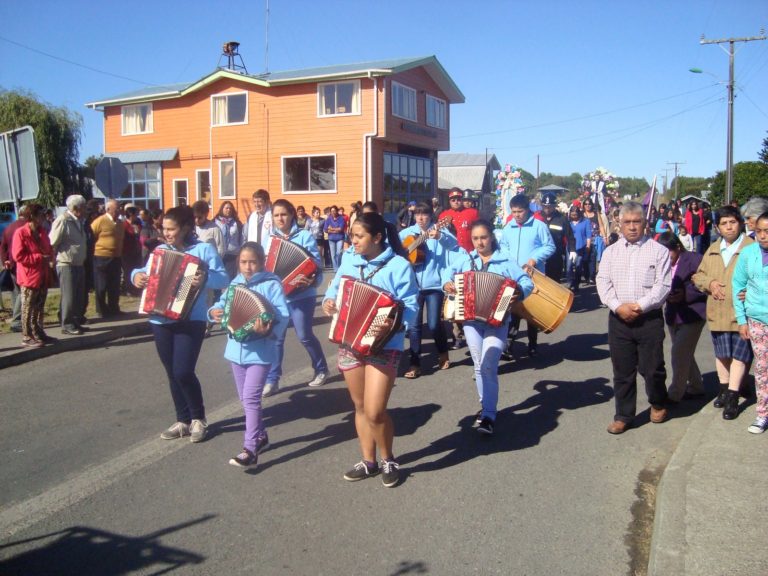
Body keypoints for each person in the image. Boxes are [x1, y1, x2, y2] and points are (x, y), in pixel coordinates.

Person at [322, 212, 419, 487]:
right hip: (350, 342)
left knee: (376, 411)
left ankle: (388, 458)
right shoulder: (349, 260)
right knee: (361, 406)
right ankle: (369, 462)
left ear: (377, 237)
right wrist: (328, 302)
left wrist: (391, 324)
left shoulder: (399, 265)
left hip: (384, 344)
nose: (352, 241)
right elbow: (334, 290)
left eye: (358, 236)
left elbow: (411, 306)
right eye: (352, 235)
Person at [131, 206, 229, 443]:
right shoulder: (159, 251)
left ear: (185, 228)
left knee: (183, 371)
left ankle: (198, 418)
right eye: (164, 229)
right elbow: (140, 271)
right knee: (171, 372)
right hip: (159, 318)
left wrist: (204, 278)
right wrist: (137, 277)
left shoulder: (203, 250)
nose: (167, 233)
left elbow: (223, 278)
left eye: (171, 229)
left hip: (191, 319)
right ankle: (182, 420)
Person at [442, 220, 533, 435]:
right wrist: (446, 284)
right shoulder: (465, 259)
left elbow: (527, 282)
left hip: (497, 321)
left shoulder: (505, 261)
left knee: (489, 365)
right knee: (478, 365)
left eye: (483, 237)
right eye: (475, 238)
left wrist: (520, 292)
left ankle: (489, 415)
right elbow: (446, 275)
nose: (480, 242)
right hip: (471, 321)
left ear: (491, 237)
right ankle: (486, 409)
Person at [209, 242, 289, 466]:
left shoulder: (271, 284)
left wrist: (270, 329)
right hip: (235, 351)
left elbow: (283, 315)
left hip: (261, 352)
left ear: (262, 262)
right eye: (243, 262)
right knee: (245, 399)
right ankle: (261, 436)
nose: (247, 267)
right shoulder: (235, 283)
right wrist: (212, 311)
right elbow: (221, 305)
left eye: (252, 262)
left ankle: (250, 449)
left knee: (252, 399)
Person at [596, 201, 672, 434]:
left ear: (644, 223)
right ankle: (624, 415)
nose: (631, 227)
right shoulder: (610, 252)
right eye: (626, 222)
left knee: (653, 368)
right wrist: (619, 307)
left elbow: (663, 285)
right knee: (622, 371)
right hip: (619, 320)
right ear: (619, 223)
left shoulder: (659, 251)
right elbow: (602, 282)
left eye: (636, 222)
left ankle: (658, 402)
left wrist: (639, 306)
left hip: (648, 319)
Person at [693, 205, 754, 420]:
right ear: (717, 228)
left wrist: (753, 290)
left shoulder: (752, 247)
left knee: (740, 355)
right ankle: (724, 388)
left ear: (740, 223)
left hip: (743, 315)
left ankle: (733, 397)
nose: (729, 227)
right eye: (724, 223)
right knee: (722, 354)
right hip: (717, 312)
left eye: (733, 222)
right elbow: (697, 276)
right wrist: (710, 283)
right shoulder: (713, 249)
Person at [263, 199, 329, 396]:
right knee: (276, 338)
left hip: (302, 294)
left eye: (283, 214)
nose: (280, 218)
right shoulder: (269, 239)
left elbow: (316, 265)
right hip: (278, 297)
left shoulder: (305, 236)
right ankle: (272, 379)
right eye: (276, 215)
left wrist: (311, 280)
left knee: (304, 335)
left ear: (292, 214)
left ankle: (321, 368)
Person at [398, 202, 457, 378]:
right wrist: (403, 254)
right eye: (417, 215)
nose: (421, 218)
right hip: (413, 287)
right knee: (414, 326)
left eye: (424, 215)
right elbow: (395, 249)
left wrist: (439, 236)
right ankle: (414, 365)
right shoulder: (406, 233)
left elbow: (453, 245)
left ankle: (442, 351)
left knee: (433, 323)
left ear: (431, 216)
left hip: (434, 285)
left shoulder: (440, 231)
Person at [500, 193, 555, 357]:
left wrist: (534, 259)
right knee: (511, 311)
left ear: (527, 210)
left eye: (520, 211)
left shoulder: (539, 226)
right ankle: (508, 346)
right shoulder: (508, 227)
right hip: (512, 277)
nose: (517, 215)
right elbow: (503, 247)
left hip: (533, 276)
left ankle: (532, 345)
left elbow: (550, 247)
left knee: (531, 312)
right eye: (514, 212)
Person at [656, 232, 707, 403]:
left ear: (677, 247)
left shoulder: (695, 259)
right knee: (685, 353)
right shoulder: (659, 264)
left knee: (678, 352)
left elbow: (704, 284)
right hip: (672, 314)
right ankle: (696, 386)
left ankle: (675, 393)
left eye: (668, 252)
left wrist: (685, 294)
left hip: (693, 314)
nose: (665, 257)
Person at [732, 211, 768, 433]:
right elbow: (738, 286)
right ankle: (762, 414)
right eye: (760, 231)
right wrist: (742, 320)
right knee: (763, 370)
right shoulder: (748, 254)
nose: (763, 236)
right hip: (757, 320)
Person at [11, 203, 54, 348]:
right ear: (32, 216)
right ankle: (26, 336)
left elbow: (49, 247)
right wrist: (39, 258)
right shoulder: (21, 233)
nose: (43, 217)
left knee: (39, 306)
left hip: (43, 275)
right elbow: (18, 256)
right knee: (27, 307)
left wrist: (50, 256)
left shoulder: (42, 231)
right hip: (29, 276)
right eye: (40, 215)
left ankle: (38, 331)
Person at [49, 194, 88, 335]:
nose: (85, 211)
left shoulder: (78, 220)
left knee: (78, 296)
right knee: (69, 296)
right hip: (66, 263)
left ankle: (75, 321)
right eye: (84, 207)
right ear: (76, 208)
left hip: (79, 263)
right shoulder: (63, 220)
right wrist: (53, 260)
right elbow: (52, 242)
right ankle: (66, 324)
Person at [91, 199, 125, 318]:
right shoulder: (100, 221)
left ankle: (114, 308)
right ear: (108, 209)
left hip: (116, 257)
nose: (119, 211)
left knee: (114, 285)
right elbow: (91, 236)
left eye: (120, 208)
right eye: (117, 209)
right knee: (101, 285)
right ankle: (101, 310)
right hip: (102, 257)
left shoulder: (120, 223)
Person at [0, 207, 28, 333]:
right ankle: (17, 320)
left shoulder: (9, 227)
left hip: (12, 264)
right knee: (22, 292)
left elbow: (3, 246)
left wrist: (5, 260)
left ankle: (18, 319)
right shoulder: (26, 227)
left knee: (16, 292)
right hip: (23, 264)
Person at [538, 193, 570, 283]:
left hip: (556, 256)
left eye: (550, 206)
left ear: (555, 206)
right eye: (545, 206)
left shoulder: (562, 219)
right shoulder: (537, 218)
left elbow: (569, 236)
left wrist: (572, 250)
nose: (547, 209)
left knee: (554, 282)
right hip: (540, 256)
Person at [440, 187, 480, 255]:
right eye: (453, 200)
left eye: (458, 199)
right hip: (452, 253)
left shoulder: (473, 213)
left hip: (470, 252)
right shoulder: (443, 215)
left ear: (462, 200)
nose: (456, 202)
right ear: (449, 202)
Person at [214, 200, 244, 279]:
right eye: (226, 208)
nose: (228, 210)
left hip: (232, 255)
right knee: (218, 278)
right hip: (219, 255)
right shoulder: (215, 222)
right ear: (222, 209)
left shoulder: (236, 223)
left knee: (230, 279)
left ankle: (230, 292)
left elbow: (241, 238)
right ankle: (218, 292)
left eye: (230, 208)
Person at [581, 198, 608, 284]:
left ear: (592, 205)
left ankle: (592, 276)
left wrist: (604, 237)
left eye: (589, 204)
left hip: (595, 239)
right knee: (585, 259)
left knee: (593, 258)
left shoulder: (596, 214)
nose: (588, 205)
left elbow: (601, 226)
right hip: (584, 240)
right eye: (586, 204)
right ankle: (586, 275)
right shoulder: (581, 215)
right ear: (583, 205)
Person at [567, 206, 591, 292]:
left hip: (581, 246)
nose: (574, 216)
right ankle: (569, 282)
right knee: (569, 266)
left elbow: (588, 234)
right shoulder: (568, 222)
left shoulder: (586, 221)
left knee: (578, 266)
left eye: (575, 214)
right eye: (572, 215)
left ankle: (576, 283)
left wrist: (588, 245)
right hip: (570, 247)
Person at [121, 205, 143, 296]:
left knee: (136, 269)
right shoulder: (124, 225)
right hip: (127, 251)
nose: (137, 216)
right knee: (128, 270)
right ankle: (129, 289)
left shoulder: (137, 224)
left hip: (136, 251)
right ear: (131, 215)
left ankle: (136, 288)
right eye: (135, 215)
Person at [323, 205, 346, 270]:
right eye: (332, 211)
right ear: (330, 212)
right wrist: (335, 230)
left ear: (337, 211)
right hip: (331, 239)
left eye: (334, 210)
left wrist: (331, 229)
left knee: (338, 253)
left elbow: (341, 229)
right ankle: (336, 269)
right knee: (333, 255)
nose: (333, 212)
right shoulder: (328, 219)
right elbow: (325, 229)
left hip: (339, 238)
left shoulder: (341, 218)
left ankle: (339, 266)